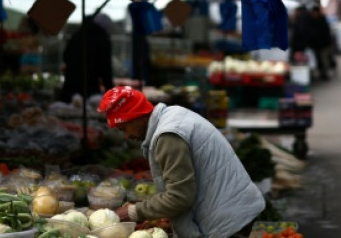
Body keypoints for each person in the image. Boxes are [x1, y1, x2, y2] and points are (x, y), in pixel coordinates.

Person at [99, 86, 265, 238]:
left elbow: (179, 197)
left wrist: (133, 212)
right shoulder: (172, 115)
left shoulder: (167, 136)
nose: (126, 137)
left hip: (228, 220)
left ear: (137, 117)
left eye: (124, 128)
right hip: (233, 209)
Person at [59, 13, 114, 102]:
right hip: (89, 89)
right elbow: (106, 69)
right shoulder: (102, 39)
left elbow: (65, 56)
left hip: (69, 88)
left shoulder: (78, 34)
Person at [307, 5, 335, 80]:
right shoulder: (311, 21)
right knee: (317, 60)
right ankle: (320, 73)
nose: (314, 14)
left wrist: (328, 43)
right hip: (314, 45)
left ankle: (325, 73)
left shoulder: (322, 20)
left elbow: (327, 33)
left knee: (324, 60)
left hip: (323, 45)